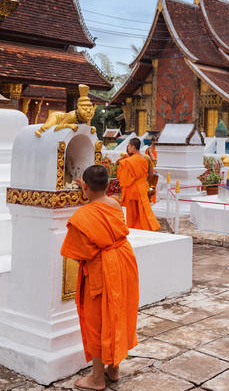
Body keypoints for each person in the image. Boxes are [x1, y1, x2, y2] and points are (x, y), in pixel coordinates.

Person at [61, 165, 139, 391]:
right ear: (108, 185)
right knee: (118, 313)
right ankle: (113, 368)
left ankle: (96, 378)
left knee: (97, 322)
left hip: (102, 270)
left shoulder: (82, 216)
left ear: (84, 186)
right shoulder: (114, 203)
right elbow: (99, 211)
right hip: (124, 262)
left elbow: (77, 253)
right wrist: (86, 190)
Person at [117, 137, 161, 231]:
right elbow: (150, 175)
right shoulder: (146, 158)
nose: (128, 148)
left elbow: (122, 178)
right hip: (142, 187)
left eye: (129, 146)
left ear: (133, 147)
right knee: (143, 209)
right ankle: (145, 227)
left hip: (131, 189)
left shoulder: (127, 161)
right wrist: (143, 182)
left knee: (131, 212)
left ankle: (132, 228)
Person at [145, 137, 158, 203]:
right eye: (154, 140)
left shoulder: (157, 150)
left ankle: (153, 199)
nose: (155, 142)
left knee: (154, 186)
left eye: (156, 141)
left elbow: (155, 159)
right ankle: (148, 198)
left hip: (155, 170)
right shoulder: (148, 150)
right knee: (148, 185)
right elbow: (147, 159)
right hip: (149, 170)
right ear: (152, 141)